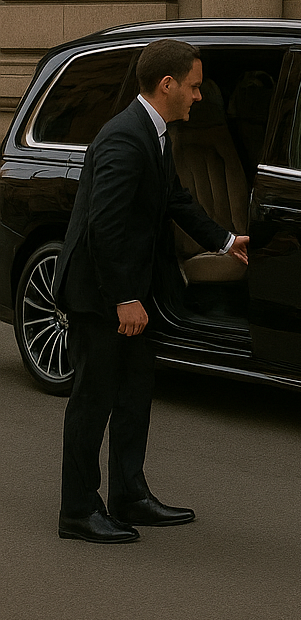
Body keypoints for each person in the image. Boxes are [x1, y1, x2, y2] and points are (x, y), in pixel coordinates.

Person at [54, 38, 249, 544]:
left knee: (134, 394)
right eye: (194, 86)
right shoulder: (124, 138)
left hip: (132, 289)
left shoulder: (155, 132)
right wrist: (124, 297)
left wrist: (225, 241)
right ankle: (78, 510)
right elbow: (104, 226)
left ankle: (129, 496)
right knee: (93, 401)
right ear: (167, 85)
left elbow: (173, 198)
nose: (199, 96)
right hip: (100, 294)